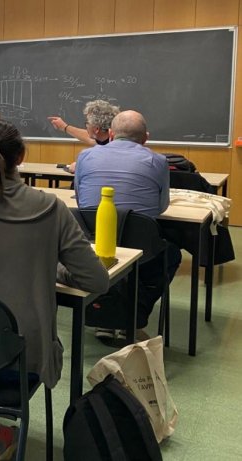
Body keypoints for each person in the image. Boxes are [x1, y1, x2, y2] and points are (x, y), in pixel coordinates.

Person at [0, 120, 108, 460]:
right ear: (22, 157)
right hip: (18, 360)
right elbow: (96, 281)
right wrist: (51, 269)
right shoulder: (51, 209)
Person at [74, 110, 181, 337]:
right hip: (140, 249)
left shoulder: (85, 157)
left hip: (92, 245)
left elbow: (82, 200)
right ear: (146, 138)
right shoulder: (158, 161)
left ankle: (105, 312)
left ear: (111, 134)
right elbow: (160, 207)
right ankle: (131, 316)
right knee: (171, 255)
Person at [48, 100, 120, 172]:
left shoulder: (110, 149)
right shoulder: (108, 139)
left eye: (87, 122)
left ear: (97, 129)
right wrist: (64, 127)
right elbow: (89, 138)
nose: (86, 126)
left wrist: (80, 166)